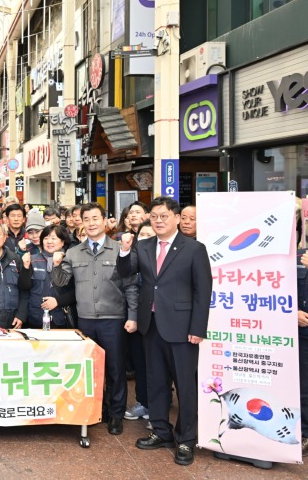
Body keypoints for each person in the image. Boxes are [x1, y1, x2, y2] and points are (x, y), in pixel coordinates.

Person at [117, 197, 212, 466]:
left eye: (164, 216)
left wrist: (197, 327)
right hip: (152, 324)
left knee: (185, 385)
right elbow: (125, 273)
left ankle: (185, 439)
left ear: (177, 218)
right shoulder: (143, 245)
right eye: (155, 216)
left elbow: (202, 291)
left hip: (183, 328)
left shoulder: (193, 248)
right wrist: (125, 251)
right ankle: (160, 431)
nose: (159, 221)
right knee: (155, 381)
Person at [52, 203, 139, 437]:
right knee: (90, 370)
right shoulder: (73, 252)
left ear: (104, 220)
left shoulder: (119, 249)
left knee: (115, 369)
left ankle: (116, 414)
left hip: (113, 319)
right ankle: (95, 409)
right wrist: (56, 264)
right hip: (86, 320)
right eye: (86, 219)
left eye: (95, 218)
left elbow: (131, 286)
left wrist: (132, 316)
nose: (90, 223)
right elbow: (61, 283)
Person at [124, 219, 154, 425]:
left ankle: (158, 409)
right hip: (137, 318)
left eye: (149, 235)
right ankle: (144, 402)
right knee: (142, 365)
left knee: (159, 367)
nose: (145, 239)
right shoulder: (133, 258)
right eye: (142, 235)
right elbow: (129, 284)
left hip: (162, 320)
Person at [26, 225, 75, 329]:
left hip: (61, 317)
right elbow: (25, 288)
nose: (49, 242)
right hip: (35, 317)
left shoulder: (70, 260)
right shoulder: (32, 260)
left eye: (53, 238)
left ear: (62, 242)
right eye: (46, 238)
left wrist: (58, 301)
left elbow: (78, 291)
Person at [297, 250, 308, 456]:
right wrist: (292, 311)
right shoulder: (297, 255)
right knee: (303, 387)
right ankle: (304, 433)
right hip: (301, 333)